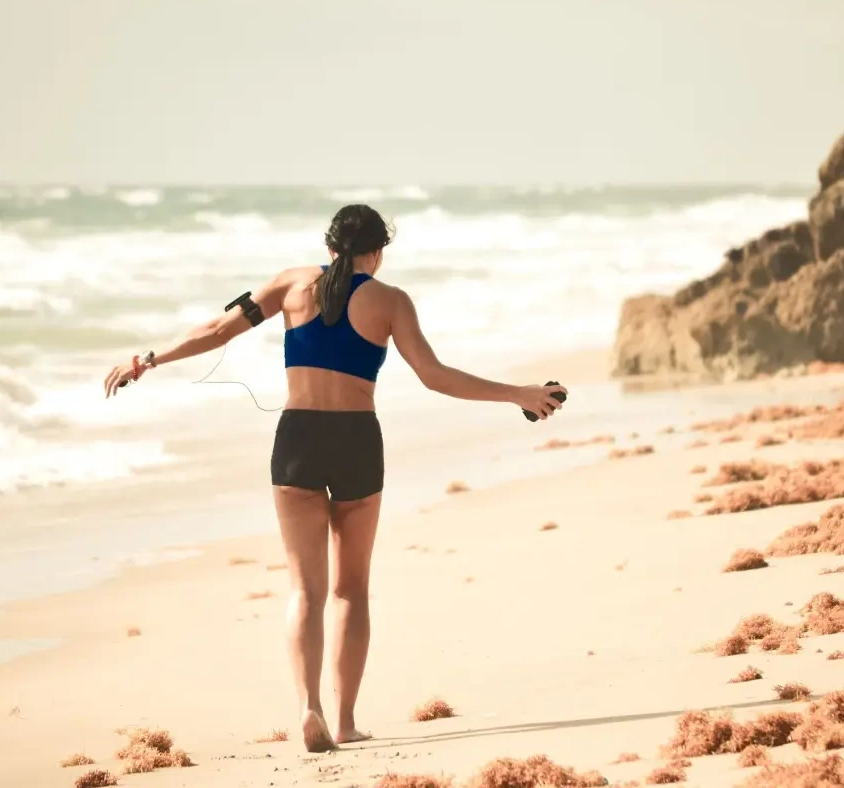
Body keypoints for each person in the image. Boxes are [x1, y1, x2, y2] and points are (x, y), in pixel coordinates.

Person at [102, 204, 568, 752]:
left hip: (297, 440)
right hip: (356, 442)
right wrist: (519, 393)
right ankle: (345, 721)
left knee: (306, 591)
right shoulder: (391, 301)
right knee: (350, 591)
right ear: (377, 252)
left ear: (328, 247)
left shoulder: (289, 285)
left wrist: (148, 359)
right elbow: (435, 376)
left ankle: (308, 708)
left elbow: (216, 330)